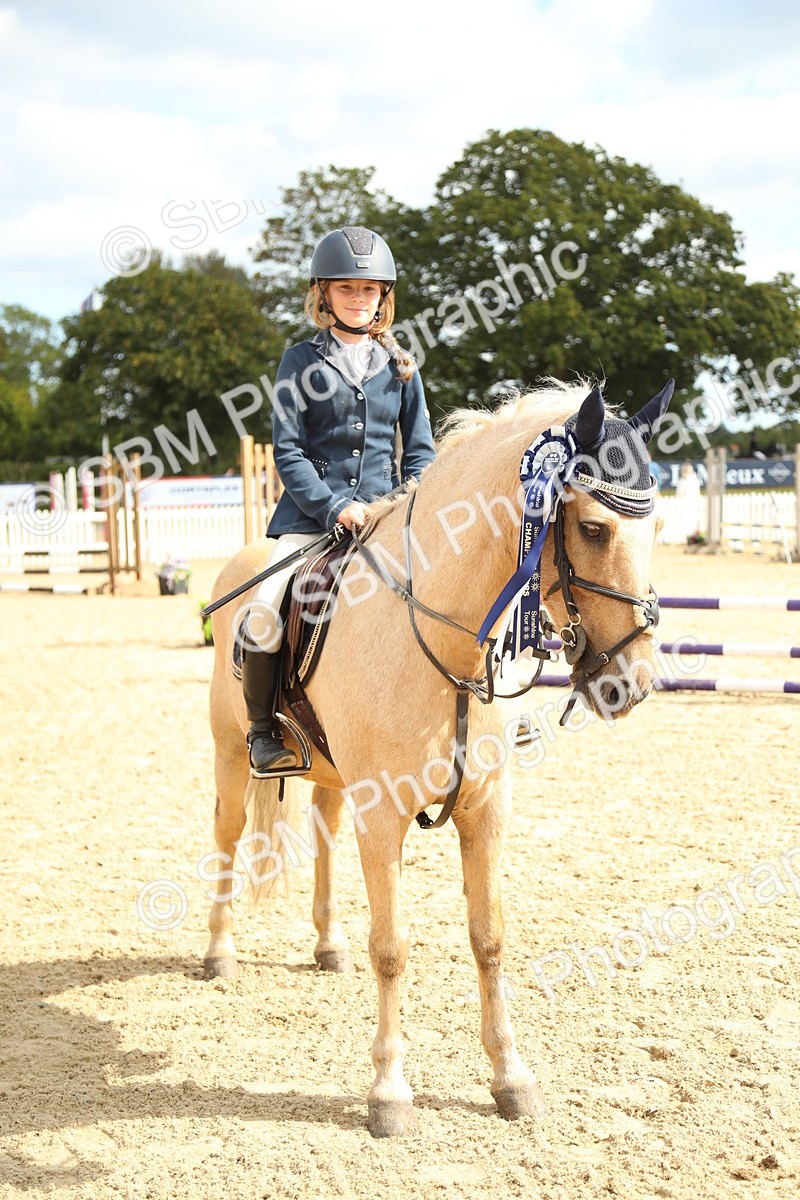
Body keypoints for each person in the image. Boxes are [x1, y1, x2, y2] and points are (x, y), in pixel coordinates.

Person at [241, 226, 437, 777]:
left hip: (387, 519)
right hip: (312, 520)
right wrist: (332, 507)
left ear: (383, 298)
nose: (358, 299)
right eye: (346, 289)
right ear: (323, 294)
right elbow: (289, 450)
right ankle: (263, 732)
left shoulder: (402, 367)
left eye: (368, 290)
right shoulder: (298, 362)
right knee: (265, 607)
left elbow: (419, 452)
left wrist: (399, 506)